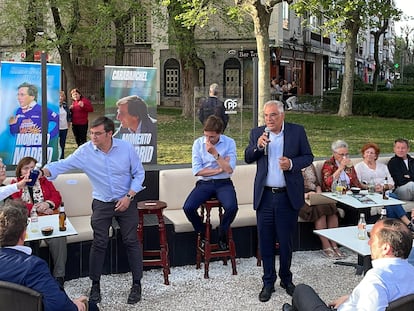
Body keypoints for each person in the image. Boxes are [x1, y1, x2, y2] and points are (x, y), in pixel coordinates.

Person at [40, 116, 145, 305]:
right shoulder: (85, 151)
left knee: (131, 240)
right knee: (99, 242)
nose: (93, 137)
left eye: (97, 133)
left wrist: (129, 196)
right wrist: (43, 172)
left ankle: (137, 284)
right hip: (102, 202)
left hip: (126, 200)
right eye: (91, 133)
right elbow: (62, 165)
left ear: (109, 134)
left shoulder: (126, 149)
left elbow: (139, 173)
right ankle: (95, 284)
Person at [244, 100, 313, 302]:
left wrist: (291, 163)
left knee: (285, 242)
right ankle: (268, 282)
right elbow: (248, 157)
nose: (269, 119)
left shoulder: (296, 132)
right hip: (265, 196)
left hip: (286, 196)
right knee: (265, 242)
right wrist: (258, 147)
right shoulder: (258, 133)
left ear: (282, 115)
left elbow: (308, 156)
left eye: (272, 115)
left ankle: (286, 278)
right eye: (266, 116)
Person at [282, 218, 414, 311]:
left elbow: (376, 293)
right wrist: (352, 299)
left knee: (301, 290)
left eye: (372, 239)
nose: (369, 244)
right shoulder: (410, 271)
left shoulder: (376, 280)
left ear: (385, 248)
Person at [0, 200, 98, 311]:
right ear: (24, 233)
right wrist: (76, 305)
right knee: (91, 307)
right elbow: (59, 306)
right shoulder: (33, 267)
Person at [183, 115, 238, 250]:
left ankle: (222, 231)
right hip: (204, 184)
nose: (208, 140)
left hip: (224, 183)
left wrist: (215, 154)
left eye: (212, 137)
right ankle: (202, 230)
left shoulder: (229, 143)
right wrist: (220, 168)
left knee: (232, 207)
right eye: (206, 136)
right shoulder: (198, 143)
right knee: (188, 207)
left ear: (220, 133)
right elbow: (197, 171)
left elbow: (229, 169)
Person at [10, 156, 67, 287]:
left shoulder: (44, 181)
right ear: (20, 171)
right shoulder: (15, 184)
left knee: (59, 238)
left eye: (32, 168)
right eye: (26, 168)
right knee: (29, 241)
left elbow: (56, 196)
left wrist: (47, 204)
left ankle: (59, 277)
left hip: (47, 220)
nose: (30, 171)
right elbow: (17, 204)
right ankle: (32, 277)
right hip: (28, 223)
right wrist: (37, 208)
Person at [355, 142, 414, 230]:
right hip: (372, 193)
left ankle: (392, 228)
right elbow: (358, 183)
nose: (369, 155)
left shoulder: (382, 166)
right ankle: (407, 223)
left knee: (389, 201)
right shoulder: (359, 167)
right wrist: (371, 187)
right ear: (363, 154)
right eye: (367, 152)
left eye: (372, 153)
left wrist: (384, 187)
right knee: (391, 198)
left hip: (386, 192)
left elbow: (391, 183)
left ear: (376, 156)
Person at [299, 164, 344, 258]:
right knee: (320, 210)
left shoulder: (309, 165)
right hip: (299, 197)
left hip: (314, 194)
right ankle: (326, 245)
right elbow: (288, 189)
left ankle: (334, 244)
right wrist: (305, 194)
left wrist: (319, 195)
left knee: (331, 207)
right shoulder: (289, 165)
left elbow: (317, 184)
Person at [59, 91, 72, 159]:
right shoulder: (54, 106)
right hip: (56, 128)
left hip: (64, 127)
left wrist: (69, 122)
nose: (60, 98)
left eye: (62, 96)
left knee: (62, 144)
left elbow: (69, 115)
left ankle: (62, 157)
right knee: (56, 144)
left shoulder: (65, 105)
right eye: (59, 96)